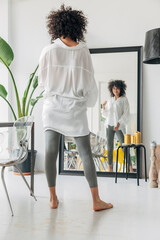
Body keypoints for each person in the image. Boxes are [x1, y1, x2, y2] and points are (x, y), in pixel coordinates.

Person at [38, 4, 113, 211]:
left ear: (56, 26)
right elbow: (89, 84)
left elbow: (41, 83)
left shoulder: (48, 50)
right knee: (86, 153)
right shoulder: (83, 52)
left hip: (52, 107)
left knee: (51, 152)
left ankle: (53, 198)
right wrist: (85, 102)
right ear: (78, 27)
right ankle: (96, 201)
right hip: (75, 109)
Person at [102, 80, 134, 172]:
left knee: (124, 145)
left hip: (119, 125)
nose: (115, 90)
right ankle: (110, 167)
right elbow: (106, 114)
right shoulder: (110, 100)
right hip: (109, 125)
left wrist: (119, 123)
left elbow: (126, 113)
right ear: (111, 89)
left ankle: (130, 168)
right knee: (109, 146)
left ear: (121, 89)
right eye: (114, 88)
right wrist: (103, 107)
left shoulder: (124, 99)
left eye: (117, 88)